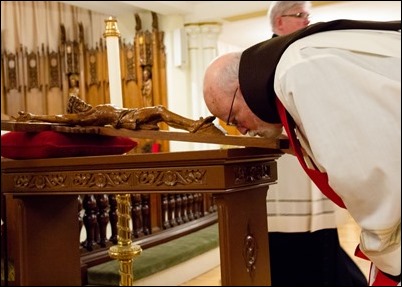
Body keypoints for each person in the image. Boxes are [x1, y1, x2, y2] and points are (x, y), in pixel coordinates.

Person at [203, 19, 401, 286]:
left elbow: (367, 174)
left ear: (242, 89)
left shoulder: (298, 72)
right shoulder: (290, 69)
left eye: (233, 117)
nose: (240, 131)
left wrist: (387, 253)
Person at [260, 2, 367, 285]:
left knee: (321, 240)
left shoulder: (300, 54)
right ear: (279, 22)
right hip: (285, 167)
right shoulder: (261, 61)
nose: (307, 20)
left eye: (307, 14)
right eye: (300, 15)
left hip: (308, 155)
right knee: (292, 246)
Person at [14, 95, 225, 136]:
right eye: (78, 104)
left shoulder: (99, 108)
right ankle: (194, 126)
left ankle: (194, 126)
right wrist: (34, 116)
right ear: (79, 109)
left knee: (160, 111)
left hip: (131, 114)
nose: (82, 102)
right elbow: (65, 119)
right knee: (160, 110)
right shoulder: (92, 115)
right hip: (128, 118)